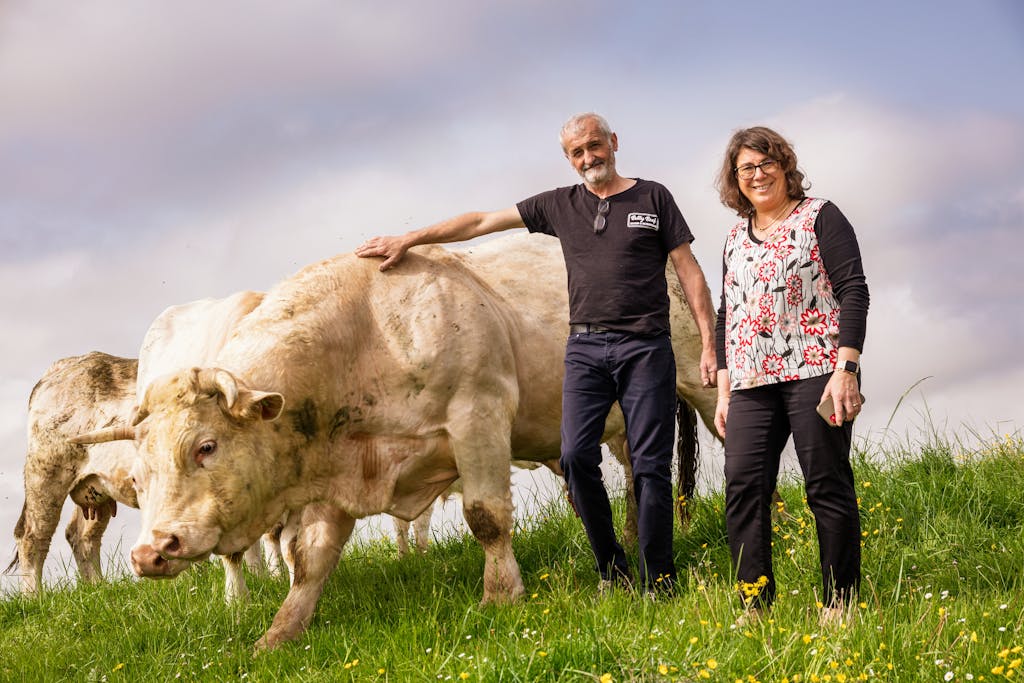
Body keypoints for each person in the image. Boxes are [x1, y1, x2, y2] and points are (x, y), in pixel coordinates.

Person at [355, 112, 717, 594]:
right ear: (569, 159)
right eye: (577, 152)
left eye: (594, 146)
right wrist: (410, 237)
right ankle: (612, 568)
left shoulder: (653, 196)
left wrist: (710, 342)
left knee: (650, 465)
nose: (589, 158)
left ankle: (660, 579)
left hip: (646, 346)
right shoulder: (560, 205)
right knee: (573, 456)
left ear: (613, 141)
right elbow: (482, 221)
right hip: (586, 347)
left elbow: (688, 270)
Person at [712, 126, 869, 623]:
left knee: (825, 484)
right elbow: (726, 314)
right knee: (743, 489)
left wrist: (847, 368)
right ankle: (754, 606)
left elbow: (854, 290)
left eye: (765, 164)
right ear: (735, 180)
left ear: (784, 166)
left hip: (817, 372)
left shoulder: (820, 216)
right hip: (750, 384)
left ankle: (839, 603)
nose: (757, 175)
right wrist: (723, 387)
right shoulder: (734, 238)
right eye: (746, 169)